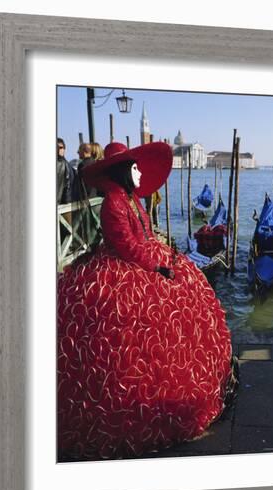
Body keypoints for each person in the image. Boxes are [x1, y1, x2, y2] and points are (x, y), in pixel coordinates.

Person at [57, 141, 232, 460]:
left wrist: (160, 257)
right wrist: (156, 267)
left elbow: (143, 236)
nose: (139, 173)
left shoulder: (132, 198)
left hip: (144, 257)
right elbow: (125, 244)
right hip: (125, 266)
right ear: (123, 171)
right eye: (135, 168)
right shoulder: (113, 201)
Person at [56, 138, 76, 204]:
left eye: (61, 147)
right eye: (57, 147)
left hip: (61, 206)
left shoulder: (68, 166)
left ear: (64, 149)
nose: (59, 149)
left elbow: (69, 188)